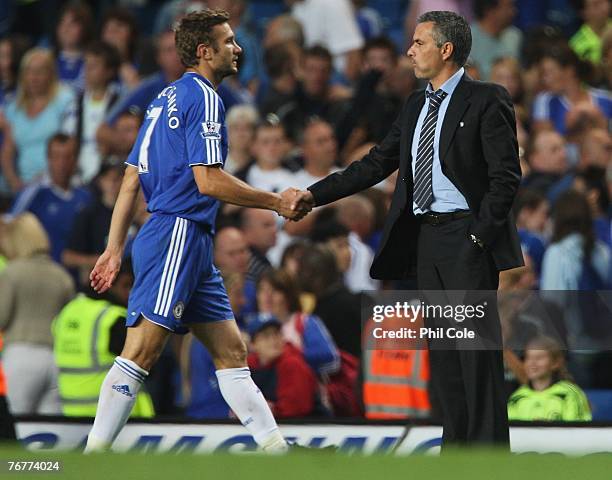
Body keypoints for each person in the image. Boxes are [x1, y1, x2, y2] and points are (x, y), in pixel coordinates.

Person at [293, 11, 523, 448]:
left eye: (419, 43)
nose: (410, 51)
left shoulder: (487, 98)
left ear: (446, 50)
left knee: (475, 357)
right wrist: (314, 194)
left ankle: (490, 459)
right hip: (428, 242)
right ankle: (456, 455)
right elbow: (377, 162)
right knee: (445, 360)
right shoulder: (417, 103)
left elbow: (505, 177)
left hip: (465, 238)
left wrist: (478, 237)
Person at [85, 9, 303, 453]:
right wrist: (274, 201)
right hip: (178, 234)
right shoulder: (204, 97)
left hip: (187, 239)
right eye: (228, 42)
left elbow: (130, 179)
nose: (238, 48)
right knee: (142, 351)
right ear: (205, 52)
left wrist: (113, 249)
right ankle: (93, 456)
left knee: (232, 352)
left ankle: (278, 454)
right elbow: (208, 179)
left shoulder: (163, 98)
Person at [53, 260, 154, 417]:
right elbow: (147, 363)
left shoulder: (68, 310)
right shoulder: (115, 319)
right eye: (126, 285)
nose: (130, 293)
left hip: (72, 412)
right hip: (117, 416)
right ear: (109, 283)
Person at [0, 213, 75, 415]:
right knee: (49, 429)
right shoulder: (61, 275)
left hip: (20, 354)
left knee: (15, 421)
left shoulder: (12, 272)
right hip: (54, 358)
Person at [10, 134, 92, 263]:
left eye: (67, 157)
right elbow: (11, 226)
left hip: (76, 276)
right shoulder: (34, 193)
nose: (62, 163)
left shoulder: (86, 195)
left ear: (76, 160)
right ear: (48, 158)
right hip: (42, 274)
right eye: (56, 157)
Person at [246, 314, 319, 418]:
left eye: (276, 334)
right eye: (266, 336)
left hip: (306, 428)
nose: (273, 340)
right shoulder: (248, 366)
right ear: (253, 344)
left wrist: (266, 410)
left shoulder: (293, 364)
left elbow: (295, 410)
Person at [507, 336, 592, 421]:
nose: (532, 363)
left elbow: (579, 431)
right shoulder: (517, 397)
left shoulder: (571, 394)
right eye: (528, 358)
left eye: (539, 358)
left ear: (555, 363)